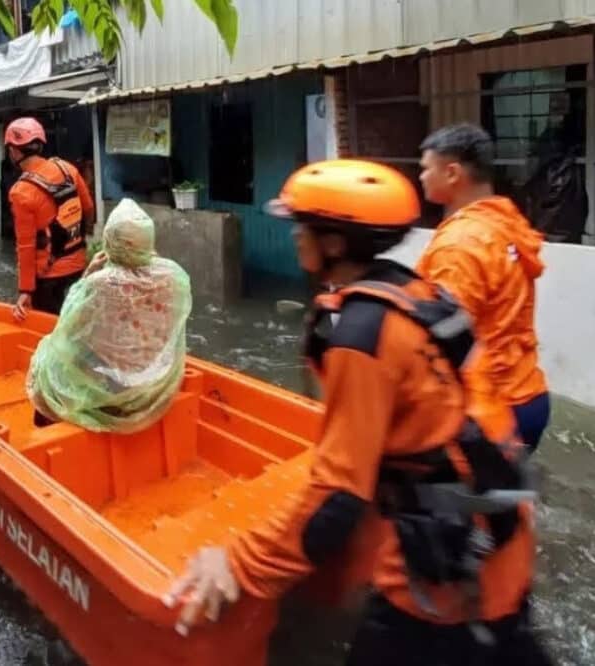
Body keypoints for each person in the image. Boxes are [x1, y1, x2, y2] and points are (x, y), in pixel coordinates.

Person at [164, 160, 550, 665]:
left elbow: (338, 494)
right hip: (497, 537)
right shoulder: (417, 294)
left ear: (334, 244)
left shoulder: (361, 335)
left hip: (447, 570)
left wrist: (236, 564)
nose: (294, 238)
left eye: (301, 228)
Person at [417, 124, 551, 451]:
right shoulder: (504, 222)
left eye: (425, 169)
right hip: (528, 392)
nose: (420, 177)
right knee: (506, 495)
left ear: (451, 173)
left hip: (490, 407)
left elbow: (445, 344)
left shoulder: (460, 245)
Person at [26, 198, 192, 432]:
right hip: (153, 386)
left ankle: (46, 427)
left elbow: (67, 330)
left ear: (109, 242)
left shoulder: (100, 284)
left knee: (46, 361)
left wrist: (88, 273)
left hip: (112, 390)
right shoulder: (173, 277)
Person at [4, 117, 95, 321]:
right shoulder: (66, 168)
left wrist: (25, 290)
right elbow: (88, 208)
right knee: (76, 326)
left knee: (49, 333)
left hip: (48, 277)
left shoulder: (21, 192)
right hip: (79, 266)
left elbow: (26, 246)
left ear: (14, 151)